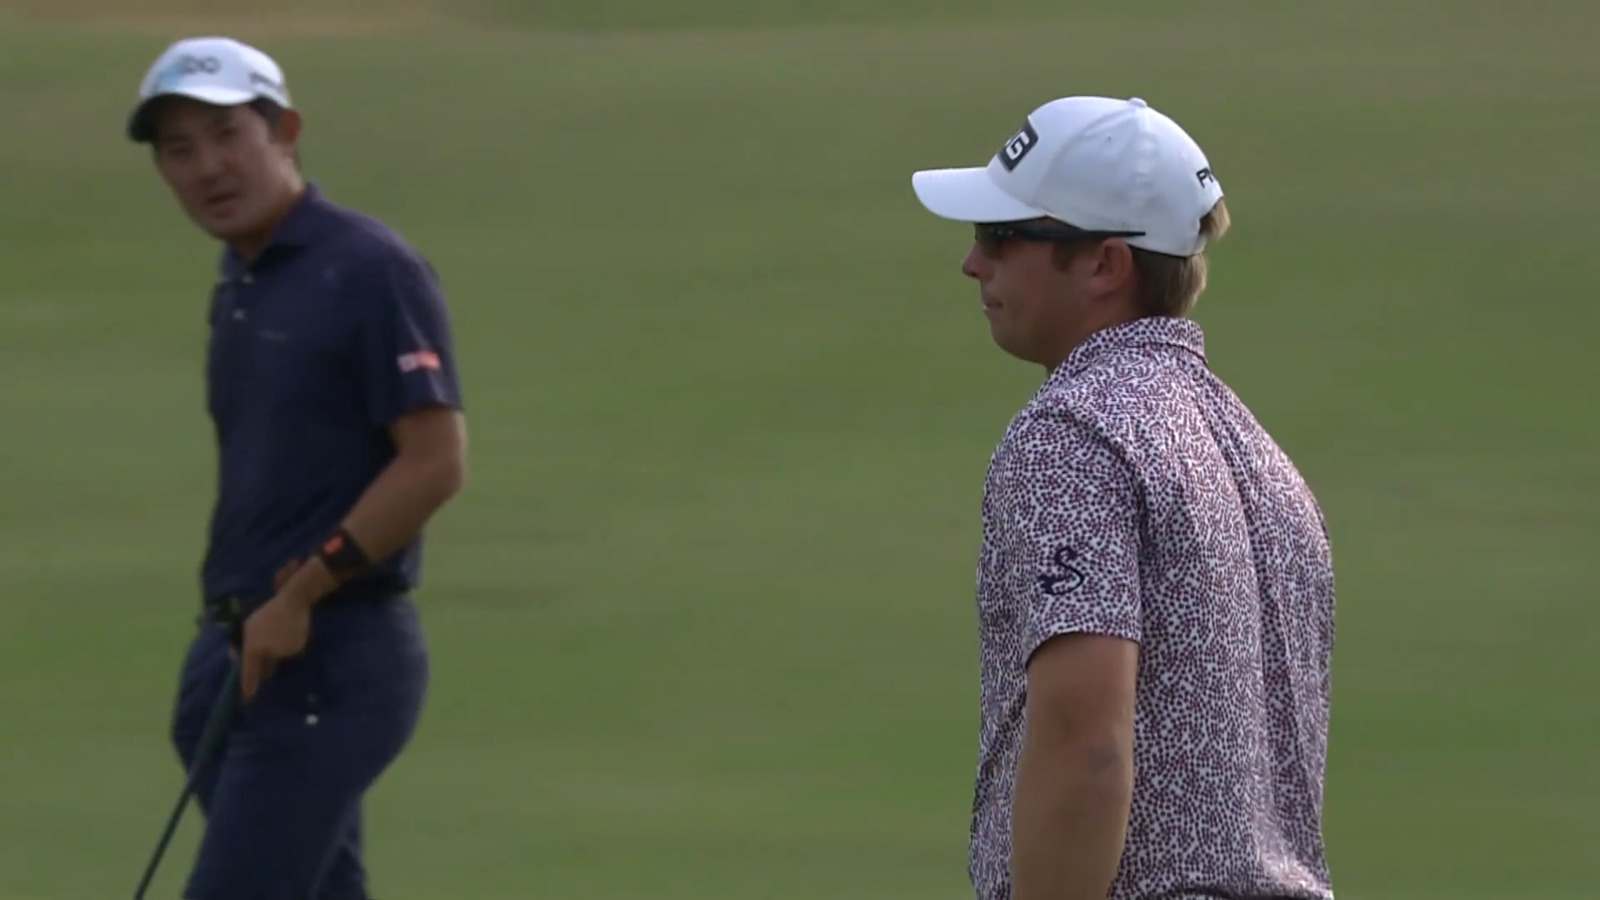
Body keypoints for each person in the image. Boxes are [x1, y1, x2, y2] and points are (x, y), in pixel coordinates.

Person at [911, 96, 1336, 900]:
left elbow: (1084, 743)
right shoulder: (1264, 460)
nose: (975, 262)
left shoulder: (1072, 435)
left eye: (1004, 236)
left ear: (1106, 265)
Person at [126, 36, 468, 900]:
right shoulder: (243, 280)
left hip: (333, 650)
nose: (207, 168)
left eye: (227, 134)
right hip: (240, 653)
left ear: (285, 131)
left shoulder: (368, 267)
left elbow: (434, 463)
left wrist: (304, 591)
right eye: (179, 149)